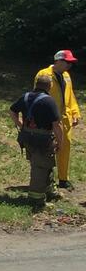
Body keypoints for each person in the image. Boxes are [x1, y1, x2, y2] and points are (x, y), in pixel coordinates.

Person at [9, 74, 65, 205]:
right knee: (40, 167)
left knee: (44, 164)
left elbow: (12, 111)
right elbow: (57, 125)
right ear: (49, 86)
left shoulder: (25, 97)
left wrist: (20, 124)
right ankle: (36, 199)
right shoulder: (49, 101)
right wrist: (60, 142)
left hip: (27, 137)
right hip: (43, 139)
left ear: (36, 85)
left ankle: (50, 190)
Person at [34, 50, 80, 189]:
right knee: (47, 149)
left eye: (71, 63)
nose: (69, 65)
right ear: (58, 61)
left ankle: (63, 179)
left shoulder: (66, 76)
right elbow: (37, 96)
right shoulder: (44, 75)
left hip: (64, 119)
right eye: (67, 62)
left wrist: (75, 112)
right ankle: (45, 179)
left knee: (65, 147)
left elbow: (70, 95)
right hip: (48, 119)